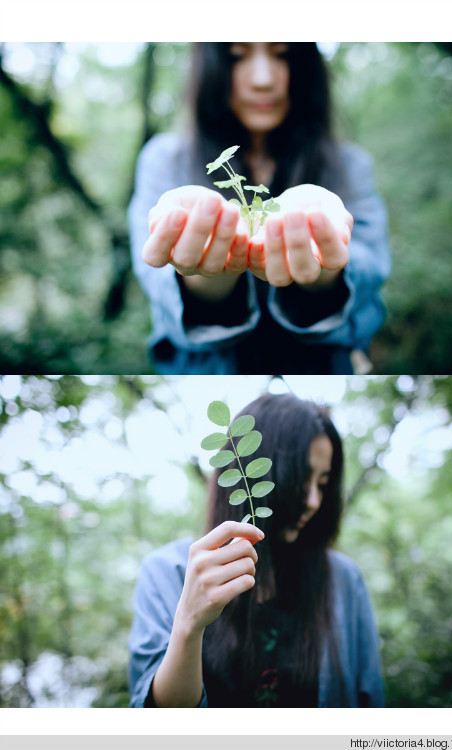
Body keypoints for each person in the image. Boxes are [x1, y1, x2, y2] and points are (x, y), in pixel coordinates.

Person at [128, 43, 391, 375]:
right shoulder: (164, 160)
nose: (263, 80)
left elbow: (371, 274)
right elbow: (157, 285)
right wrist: (207, 282)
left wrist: (325, 271)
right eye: (238, 56)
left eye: (282, 55)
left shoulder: (349, 165)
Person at [128, 393, 384, 707]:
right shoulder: (168, 571)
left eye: (323, 483)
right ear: (254, 473)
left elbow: (370, 699)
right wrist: (188, 626)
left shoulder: (343, 579)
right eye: (302, 478)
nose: (314, 500)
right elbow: (158, 715)